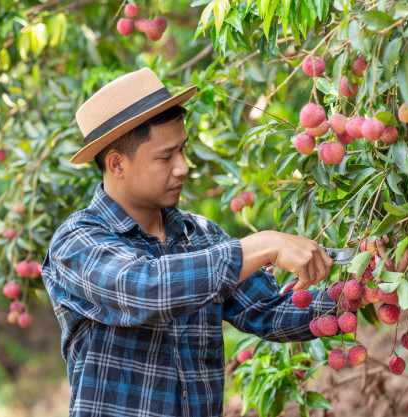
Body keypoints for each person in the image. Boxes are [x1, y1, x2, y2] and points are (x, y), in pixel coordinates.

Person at [41, 67, 336, 417]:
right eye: (165, 157)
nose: (182, 167)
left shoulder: (202, 236)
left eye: (182, 150)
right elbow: (145, 289)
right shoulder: (77, 241)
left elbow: (270, 313)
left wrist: (365, 283)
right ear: (117, 164)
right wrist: (265, 244)